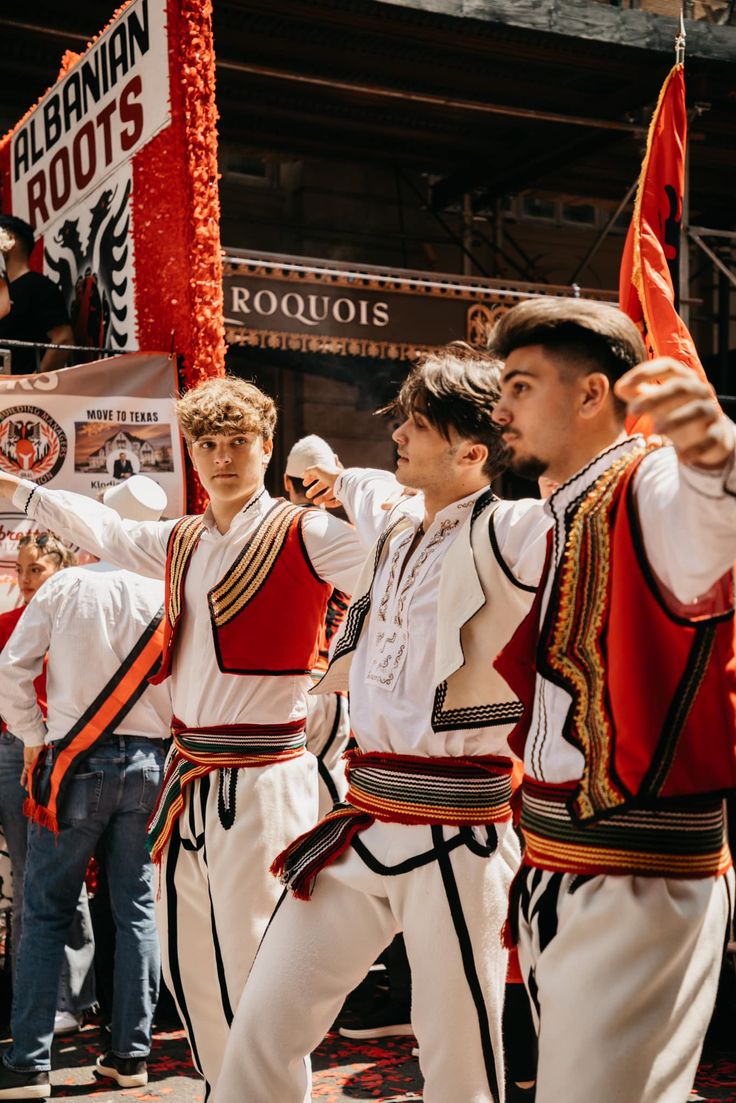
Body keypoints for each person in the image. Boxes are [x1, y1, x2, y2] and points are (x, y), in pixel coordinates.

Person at [0, 377, 365, 1098]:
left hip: (264, 772)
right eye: (208, 442)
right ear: (191, 454)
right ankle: (228, 1087)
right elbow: (98, 528)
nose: (223, 456)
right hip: (183, 772)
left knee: (259, 959)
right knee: (191, 957)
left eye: (238, 441)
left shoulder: (310, 531)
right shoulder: (183, 539)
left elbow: (401, 572)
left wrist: (341, 673)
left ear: (266, 445)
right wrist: (17, 484)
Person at [215, 345, 551, 1103]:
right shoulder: (393, 512)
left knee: (459, 1058)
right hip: (363, 819)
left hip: (456, 834)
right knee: (264, 1019)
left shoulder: (516, 531)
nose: (398, 432)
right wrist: (324, 473)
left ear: (472, 449)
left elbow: (597, 515)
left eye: (418, 423)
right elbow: (356, 481)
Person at [482, 297, 736, 1103]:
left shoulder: (646, 482)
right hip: (564, 861)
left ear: (593, 395)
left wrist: (715, 452)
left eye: (520, 386)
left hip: (638, 872)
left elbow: (707, 513)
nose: (500, 410)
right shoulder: (563, 510)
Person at [0, 476, 172, 1101]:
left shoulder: (69, 584)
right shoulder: (168, 592)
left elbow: (11, 667)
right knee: (137, 912)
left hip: (74, 762)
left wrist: (34, 737)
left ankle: (29, 1064)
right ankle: (131, 1056)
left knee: (44, 910)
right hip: (151, 765)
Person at [0, 533, 96, 1037]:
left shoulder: (81, 625)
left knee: (61, 875)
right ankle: (32, 999)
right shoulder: (6, 625)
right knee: (26, 874)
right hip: (13, 751)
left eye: (36, 568)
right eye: (21, 568)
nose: (26, 578)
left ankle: (71, 999)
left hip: (66, 752)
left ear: (63, 569)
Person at [284, 434, 352, 815]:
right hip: (330, 684)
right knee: (329, 791)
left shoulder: (272, 534)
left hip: (281, 685)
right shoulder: (350, 537)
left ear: (285, 482)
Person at [0, 215, 73, 375]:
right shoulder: (5, 291)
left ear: (10, 241)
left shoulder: (38, 287)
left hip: (22, 396)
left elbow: (63, 338)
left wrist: (34, 384)